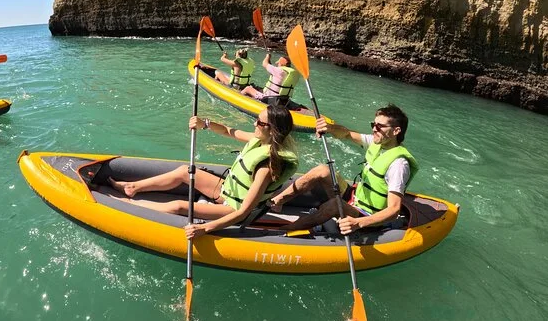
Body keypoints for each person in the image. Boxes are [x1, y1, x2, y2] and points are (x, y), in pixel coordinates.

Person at [108, 105, 299, 239]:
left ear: (272, 130)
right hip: (227, 192)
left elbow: (243, 212)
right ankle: (132, 188)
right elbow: (228, 131)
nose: (254, 124)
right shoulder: (260, 140)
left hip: (233, 209)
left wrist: (205, 228)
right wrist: (204, 124)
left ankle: (130, 206)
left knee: (179, 206)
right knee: (185, 171)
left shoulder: (266, 167)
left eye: (259, 122)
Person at [270, 104, 418, 235]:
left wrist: (358, 223)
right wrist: (329, 128)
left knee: (335, 204)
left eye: (380, 126)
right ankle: (277, 201)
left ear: (396, 131)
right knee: (323, 170)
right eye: (373, 124)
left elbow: (394, 210)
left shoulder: (399, 165)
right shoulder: (376, 143)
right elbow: (346, 133)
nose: (374, 129)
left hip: (367, 216)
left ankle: (284, 231)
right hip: (355, 199)